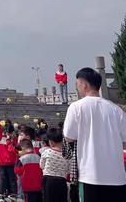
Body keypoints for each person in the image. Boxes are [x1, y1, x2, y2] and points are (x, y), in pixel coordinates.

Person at [63, 67, 126, 201]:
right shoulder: (116, 110)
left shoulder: (76, 107)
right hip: (117, 177)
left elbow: (68, 136)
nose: (78, 87)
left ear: (84, 85)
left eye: (78, 84)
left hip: (91, 175)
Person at [39, 127, 67, 202]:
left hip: (48, 180)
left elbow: (41, 165)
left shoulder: (47, 152)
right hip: (62, 181)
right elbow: (69, 170)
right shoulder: (67, 155)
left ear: (51, 141)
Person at [0, 126, 18, 201]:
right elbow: (12, 150)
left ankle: (8, 194)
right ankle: (7, 194)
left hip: (3, 162)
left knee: (5, 179)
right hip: (6, 162)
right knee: (8, 179)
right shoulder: (10, 139)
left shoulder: (12, 139)